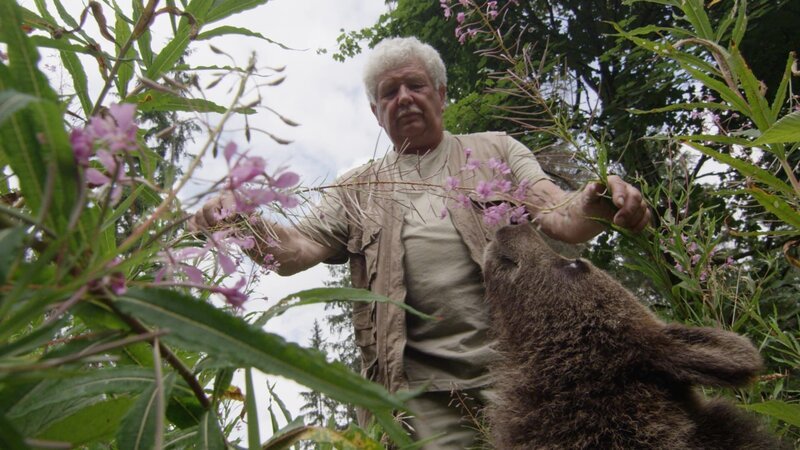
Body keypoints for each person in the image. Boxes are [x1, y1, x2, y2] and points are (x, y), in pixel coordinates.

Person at [191, 37, 650, 449]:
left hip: (529, 373)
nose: (404, 98)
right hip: (420, 402)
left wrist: (597, 202)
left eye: (416, 85)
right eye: (389, 93)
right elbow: (293, 252)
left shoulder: (496, 150)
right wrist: (241, 224)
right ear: (376, 112)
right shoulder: (356, 188)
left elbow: (560, 213)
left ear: (442, 94)